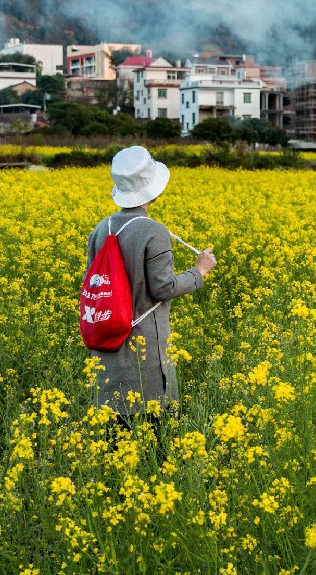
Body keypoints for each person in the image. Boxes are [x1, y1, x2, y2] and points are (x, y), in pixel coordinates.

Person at [83, 145, 217, 435]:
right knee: (152, 430)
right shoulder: (152, 230)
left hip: (107, 339)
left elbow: (93, 285)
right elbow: (163, 287)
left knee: (113, 434)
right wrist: (199, 270)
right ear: (152, 191)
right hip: (143, 344)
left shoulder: (101, 228)